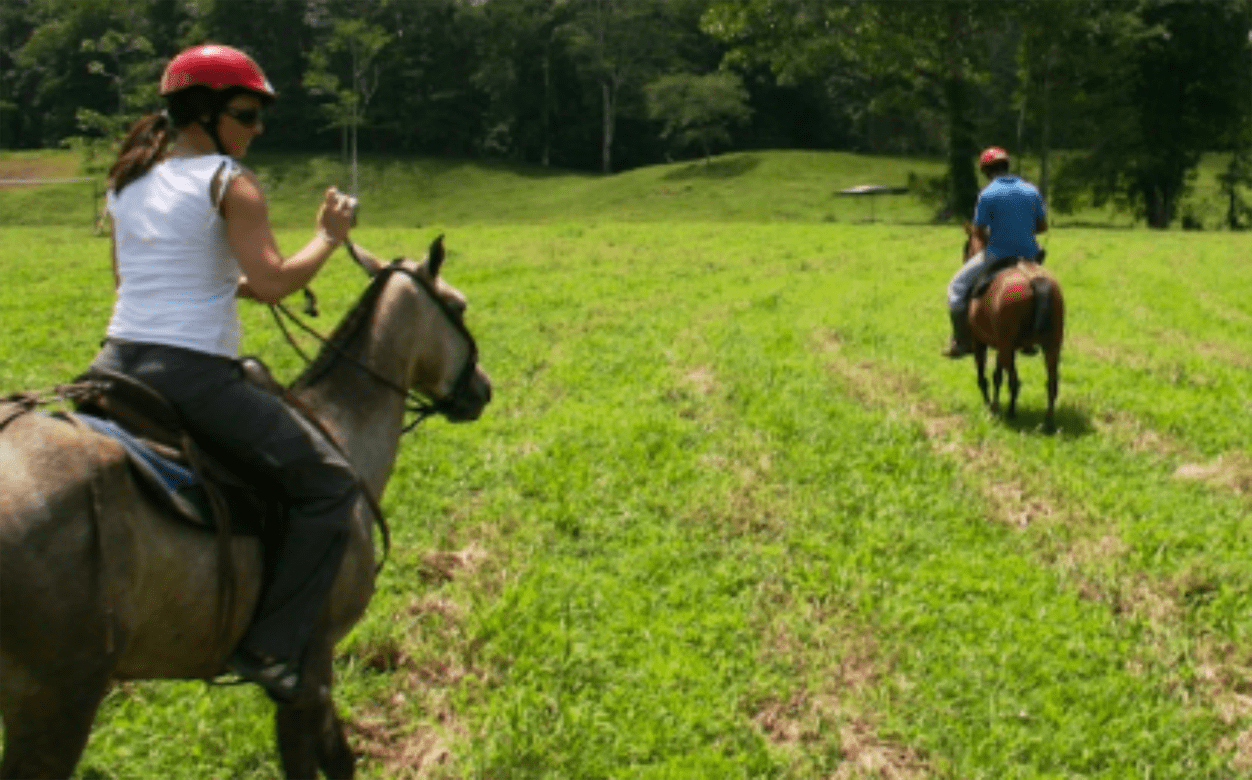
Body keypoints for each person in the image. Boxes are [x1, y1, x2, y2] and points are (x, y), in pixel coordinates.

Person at [91, 43, 360, 701]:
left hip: (113, 366)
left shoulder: (126, 182)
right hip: (189, 376)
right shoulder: (230, 181)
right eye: (246, 114)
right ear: (205, 114)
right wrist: (328, 236)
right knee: (329, 484)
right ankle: (271, 647)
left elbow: (136, 281)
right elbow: (272, 283)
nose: (256, 129)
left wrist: (220, 284)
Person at [942, 146, 1048, 358]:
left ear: (985, 171)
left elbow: (979, 233)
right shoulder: (1032, 190)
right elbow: (1042, 227)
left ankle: (962, 342)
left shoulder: (987, 194)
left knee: (956, 287)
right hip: (1030, 254)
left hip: (998, 253)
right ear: (1007, 165)